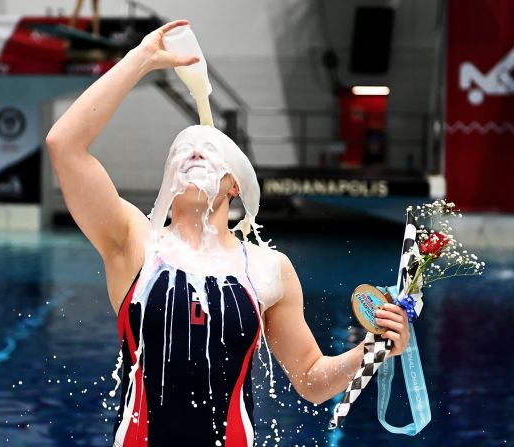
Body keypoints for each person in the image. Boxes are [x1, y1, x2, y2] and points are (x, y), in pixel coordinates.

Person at [45, 19, 410, 447]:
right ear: (167, 176)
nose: (193, 153)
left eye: (207, 152)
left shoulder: (268, 268)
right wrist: (140, 58)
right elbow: (64, 144)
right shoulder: (134, 243)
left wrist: (374, 350)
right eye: (182, 152)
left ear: (235, 183)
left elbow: (312, 380)